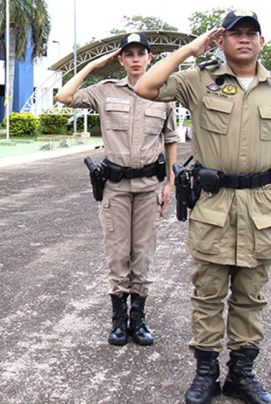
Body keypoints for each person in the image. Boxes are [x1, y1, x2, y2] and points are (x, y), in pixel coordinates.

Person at [134, 10, 271, 404]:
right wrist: (192, 48)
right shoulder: (201, 81)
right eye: (235, 34)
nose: (245, 40)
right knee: (208, 294)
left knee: (251, 296)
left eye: (252, 34)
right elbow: (146, 86)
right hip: (214, 206)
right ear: (222, 41)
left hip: (261, 207)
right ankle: (205, 373)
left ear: (262, 42)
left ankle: (242, 375)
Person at [56, 33, 179, 347]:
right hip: (117, 188)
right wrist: (95, 66)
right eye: (129, 54)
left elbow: (170, 140)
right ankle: (118, 321)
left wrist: (171, 184)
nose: (136, 59)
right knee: (117, 254)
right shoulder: (105, 91)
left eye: (141, 53)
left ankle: (139, 321)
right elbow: (65, 97)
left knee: (143, 254)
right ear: (121, 59)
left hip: (150, 186)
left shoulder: (164, 95)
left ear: (150, 58)